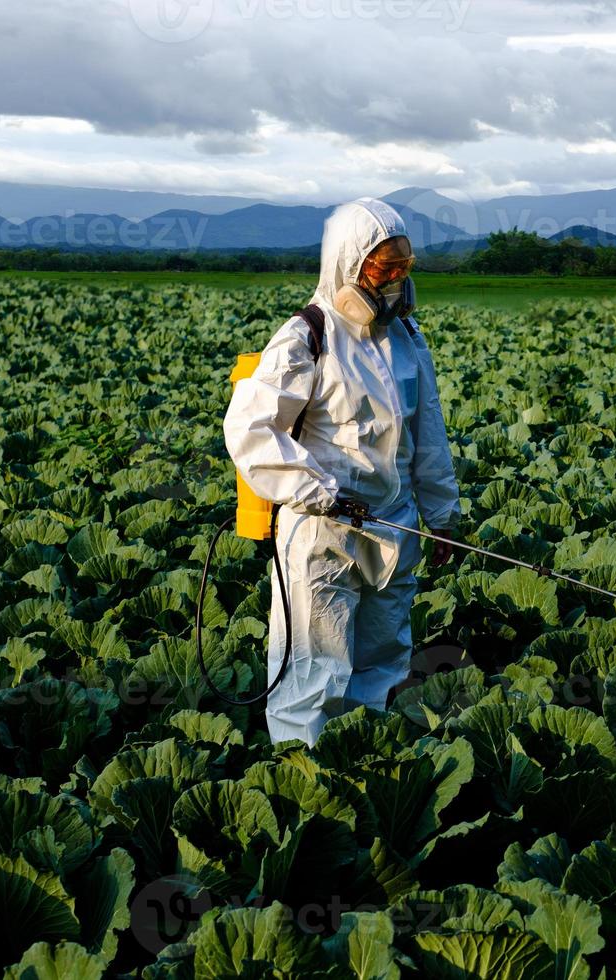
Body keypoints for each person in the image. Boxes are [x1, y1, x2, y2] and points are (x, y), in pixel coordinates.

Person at [223, 197, 461, 745]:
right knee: (312, 672)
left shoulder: (407, 338)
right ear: (350, 264)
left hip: (392, 528)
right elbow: (252, 431)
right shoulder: (306, 336)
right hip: (322, 531)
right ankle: (303, 779)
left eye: (404, 267)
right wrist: (317, 490)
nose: (396, 279)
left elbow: (427, 435)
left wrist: (443, 515)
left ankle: (362, 768)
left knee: (381, 665)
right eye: (385, 267)